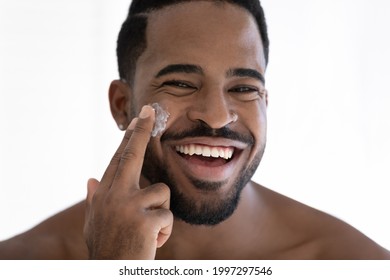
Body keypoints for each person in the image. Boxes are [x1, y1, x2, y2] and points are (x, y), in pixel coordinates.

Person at [0, 0, 389, 260]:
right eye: (181, 84)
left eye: (244, 88)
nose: (217, 117)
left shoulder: (352, 262)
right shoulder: (24, 260)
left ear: (265, 103)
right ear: (122, 105)